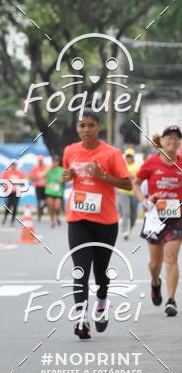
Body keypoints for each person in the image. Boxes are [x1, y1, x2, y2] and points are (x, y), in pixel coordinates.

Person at [62, 110, 131, 339]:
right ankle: (82, 320)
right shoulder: (70, 150)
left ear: (98, 127)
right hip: (78, 219)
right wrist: (67, 176)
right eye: (82, 125)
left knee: (100, 273)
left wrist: (102, 176)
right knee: (80, 271)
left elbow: (127, 184)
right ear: (77, 128)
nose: (86, 130)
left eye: (91, 125)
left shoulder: (111, 153)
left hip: (105, 221)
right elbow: (70, 175)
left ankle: (101, 301)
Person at [133, 126, 182, 317]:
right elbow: (135, 183)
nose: (172, 141)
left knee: (171, 258)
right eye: (168, 137)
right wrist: (144, 201)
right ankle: (155, 282)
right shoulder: (151, 162)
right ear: (161, 141)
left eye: (176, 138)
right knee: (155, 263)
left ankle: (171, 300)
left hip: (176, 217)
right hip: (155, 218)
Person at [117, 147, 140, 239]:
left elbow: (139, 179)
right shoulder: (122, 166)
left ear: (133, 157)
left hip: (134, 192)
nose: (129, 158)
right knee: (126, 212)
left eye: (130, 156)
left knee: (133, 214)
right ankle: (124, 231)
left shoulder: (137, 167)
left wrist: (133, 177)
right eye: (127, 156)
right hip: (123, 191)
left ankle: (130, 228)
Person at [1, 161, 26, 226]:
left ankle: (12, 221)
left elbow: (23, 181)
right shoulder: (6, 172)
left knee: (15, 207)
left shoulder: (20, 173)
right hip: (9, 192)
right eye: (12, 165)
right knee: (8, 206)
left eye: (15, 165)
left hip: (16, 192)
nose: (14, 166)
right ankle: (5, 218)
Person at [44, 155, 65, 227]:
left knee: (57, 207)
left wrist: (62, 180)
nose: (56, 163)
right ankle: (52, 221)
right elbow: (44, 176)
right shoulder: (49, 169)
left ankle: (57, 216)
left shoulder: (61, 169)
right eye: (54, 161)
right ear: (52, 162)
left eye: (57, 161)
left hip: (58, 192)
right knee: (51, 206)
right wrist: (49, 169)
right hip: (49, 191)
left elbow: (63, 178)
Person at [29, 155, 49, 221]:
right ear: (38, 161)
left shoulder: (46, 168)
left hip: (45, 187)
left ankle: (42, 209)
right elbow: (31, 178)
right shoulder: (35, 169)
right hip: (38, 187)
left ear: (43, 161)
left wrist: (45, 178)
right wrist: (37, 178)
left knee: (47, 201)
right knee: (39, 201)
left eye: (41, 161)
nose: (40, 162)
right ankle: (39, 215)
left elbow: (49, 176)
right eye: (39, 161)